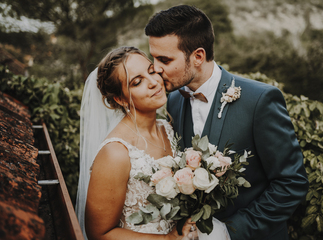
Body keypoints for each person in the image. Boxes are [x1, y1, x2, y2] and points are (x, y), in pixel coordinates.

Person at [145, 5, 309, 240]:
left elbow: (291, 183)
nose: (156, 68)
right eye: (153, 57)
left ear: (198, 56)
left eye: (164, 59)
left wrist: (229, 232)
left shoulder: (259, 100)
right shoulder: (173, 101)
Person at [75, 46, 195, 240]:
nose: (154, 82)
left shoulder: (169, 128)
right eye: (137, 82)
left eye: (151, 71)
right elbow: (100, 234)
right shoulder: (116, 152)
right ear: (120, 99)